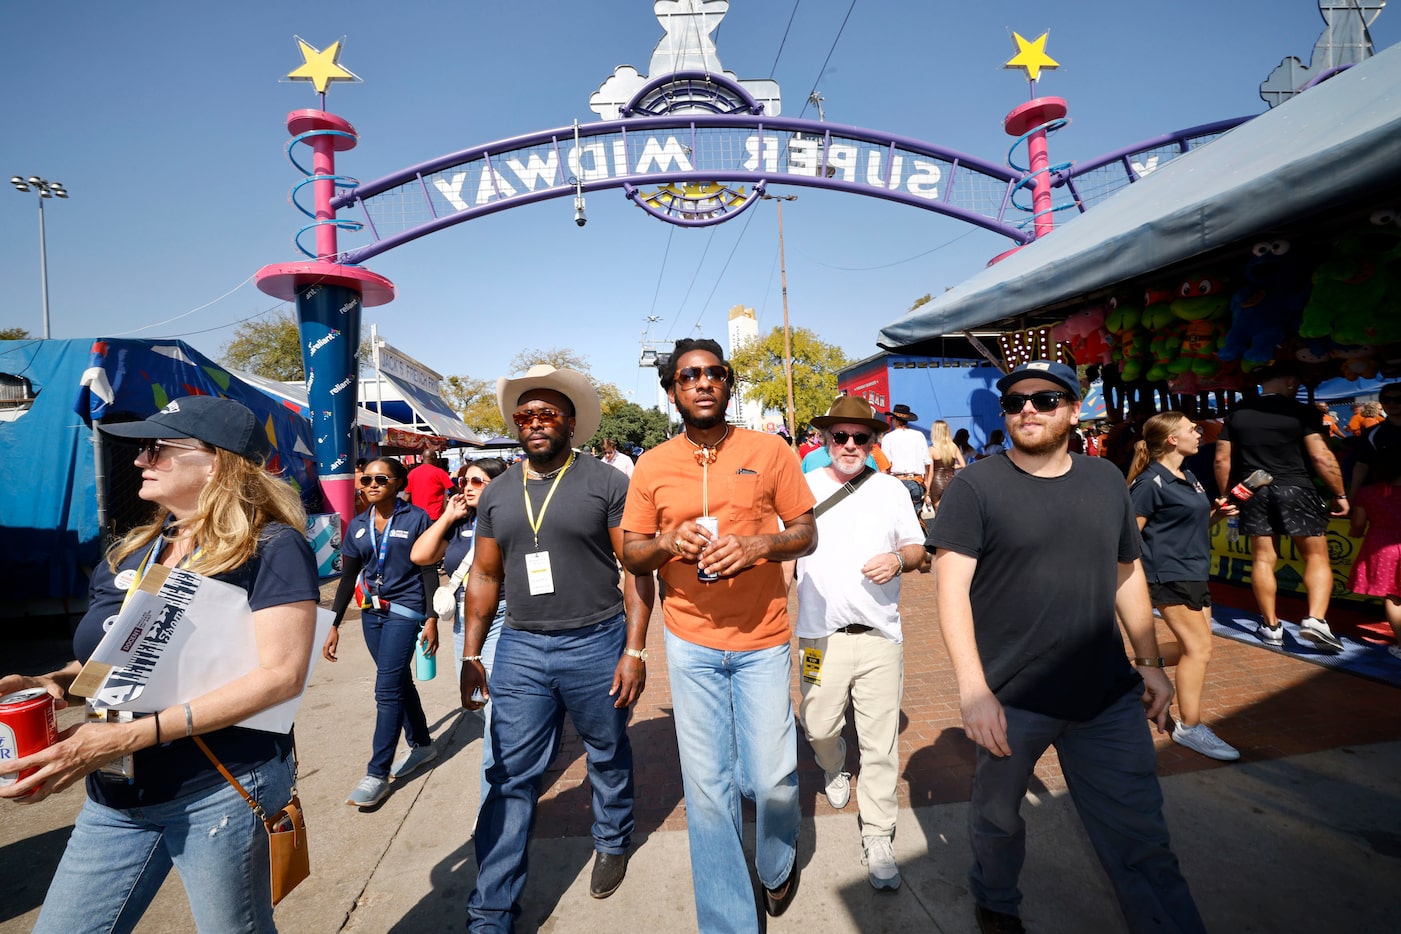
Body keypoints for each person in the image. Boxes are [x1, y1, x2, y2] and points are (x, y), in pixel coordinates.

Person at [0, 395, 320, 932]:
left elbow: (281, 676)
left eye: (156, 449)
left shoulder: (271, 545)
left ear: (215, 460)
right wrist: (53, 682)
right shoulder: (134, 550)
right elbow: (113, 661)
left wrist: (129, 736)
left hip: (218, 785)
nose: (138, 461)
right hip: (116, 791)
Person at [927, 360, 1204, 934]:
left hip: (1106, 697)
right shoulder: (976, 486)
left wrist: (1149, 663)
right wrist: (974, 690)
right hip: (1012, 698)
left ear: (1074, 410)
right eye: (1015, 401)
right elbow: (950, 591)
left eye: (1046, 399)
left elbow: (1126, 573)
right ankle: (997, 902)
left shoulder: (1105, 480)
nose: (1027, 408)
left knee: (1141, 837)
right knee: (999, 821)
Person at [621, 338, 817, 933]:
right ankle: (730, 921)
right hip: (691, 641)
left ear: (728, 383)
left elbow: (805, 532)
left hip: (762, 638)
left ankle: (777, 861)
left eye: (713, 373)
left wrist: (760, 544)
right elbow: (632, 553)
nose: (702, 383)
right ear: (673, 390)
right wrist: (664, 543)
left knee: (775, 779)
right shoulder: (652, 464)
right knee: (707, 790)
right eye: (688, 376)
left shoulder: (771, 449)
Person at [462, 365, 654, 931]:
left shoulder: (606, 482)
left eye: (548, 415)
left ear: (571, 423)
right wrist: (474, 655)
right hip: (521, 646)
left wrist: (635, 650)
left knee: (606, 751)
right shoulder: (497, 492)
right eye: (526, 416)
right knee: (510, 776)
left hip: (597, 641)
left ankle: (613, 837)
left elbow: (637, 570)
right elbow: (485, 576)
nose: (536, 423)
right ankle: (491, 910)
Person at [793, 396, 925, 891]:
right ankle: (833, 763)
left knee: (881, 745)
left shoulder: (890, 490)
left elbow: (917, 548)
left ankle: (878, 834)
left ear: (873, 442)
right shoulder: (802, 488)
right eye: (840, 437)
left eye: (860, 438)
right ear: (825, 441)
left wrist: (898, 559)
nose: (849, 446)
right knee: (818, 723)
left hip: (880, 638)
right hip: (817, 636)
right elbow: (787, 556)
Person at [324, 456, 441, 809]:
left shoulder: (417, 518)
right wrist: (332, 623)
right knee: (397, 681)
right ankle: (422, 745)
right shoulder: (358, 526)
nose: (372, 485)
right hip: (371, 614)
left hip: (405, 611)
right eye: (366, 480)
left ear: (398, 482)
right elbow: (348, 577)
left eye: (381, 479)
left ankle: (377, 773)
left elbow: (428, 571)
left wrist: (432, 617)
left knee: (386, 689)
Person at [1128, 412, 1241, 761]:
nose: (1199, 432)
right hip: (1167, 576)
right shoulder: (1149, 483)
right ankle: (1190, 727)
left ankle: (1129, 673)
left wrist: (1217, 516)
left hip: (1194, 573)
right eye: (1192, 429)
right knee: (1200, 650)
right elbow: (1129, 537)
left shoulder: (1188, 476)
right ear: (1173, 439)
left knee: (1195, 647)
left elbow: (1185, 528)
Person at [1214, 362, 1349, 651]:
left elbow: (1221, 460)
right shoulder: (1302, 412)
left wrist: (1227, 494)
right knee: (1316, 557)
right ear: (1289, 381)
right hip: (1296, 487)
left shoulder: (1237, 413)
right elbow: (1322, 457)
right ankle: (1315, 619)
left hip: (1252, 489)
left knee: (1263, 559)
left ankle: (1271, 625)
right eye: (1296, 383)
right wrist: (1339, 493)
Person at [410, 457, 509, 806]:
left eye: (477, 482)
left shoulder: (509, 519)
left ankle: (492, 802)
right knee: (479, 703)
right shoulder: (459, 523)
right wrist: (447, 517)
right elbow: (420, 555)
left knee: (495, 712)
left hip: (502, 615)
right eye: (464, 481)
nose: (466, 488)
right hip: (464, 621)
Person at [1348, 467, 1401, 661]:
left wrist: (1354, 533)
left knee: (1394, 596)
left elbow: (1358, 523)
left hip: (1382, 545)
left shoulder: (1368, 492)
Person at [1349, 383, 1401, 496]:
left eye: (1398, 399)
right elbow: (1362, 465)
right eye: (1387, 399)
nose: (1392, 403)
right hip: (1387, 496)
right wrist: (1353, 494)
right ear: (1381, 403)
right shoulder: (1372, 433)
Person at [881, 402, 931, 509]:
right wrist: (926, 482)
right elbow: (927, 462)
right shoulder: (919, 436)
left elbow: (885, 465)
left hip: (897, 482)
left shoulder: (888, 438)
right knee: (915, 519)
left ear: (895, 420)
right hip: (916, 482)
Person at [926, 419, 967, 514]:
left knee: (939, 513)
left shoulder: (932, 449)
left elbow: (931, 473)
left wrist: (927, 491)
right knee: (951, 511)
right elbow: (963, 465)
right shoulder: (953, 447)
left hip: (937, 482)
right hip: (951, 480)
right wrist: (952, 467)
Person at [405, 451, 454, 520]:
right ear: (434, 457)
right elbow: (452, 489)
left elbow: (407, 496)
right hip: (435, 515)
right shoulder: (440, 472)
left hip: (417, 516)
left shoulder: (412, 473)